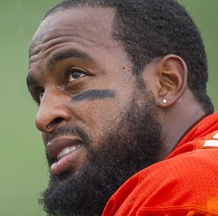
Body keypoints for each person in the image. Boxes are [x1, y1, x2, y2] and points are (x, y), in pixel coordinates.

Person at [27, 0, 218, 215]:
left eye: (75, 74)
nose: (42, 117)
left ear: (166, 83)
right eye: (40, 93)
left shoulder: (178, 195)